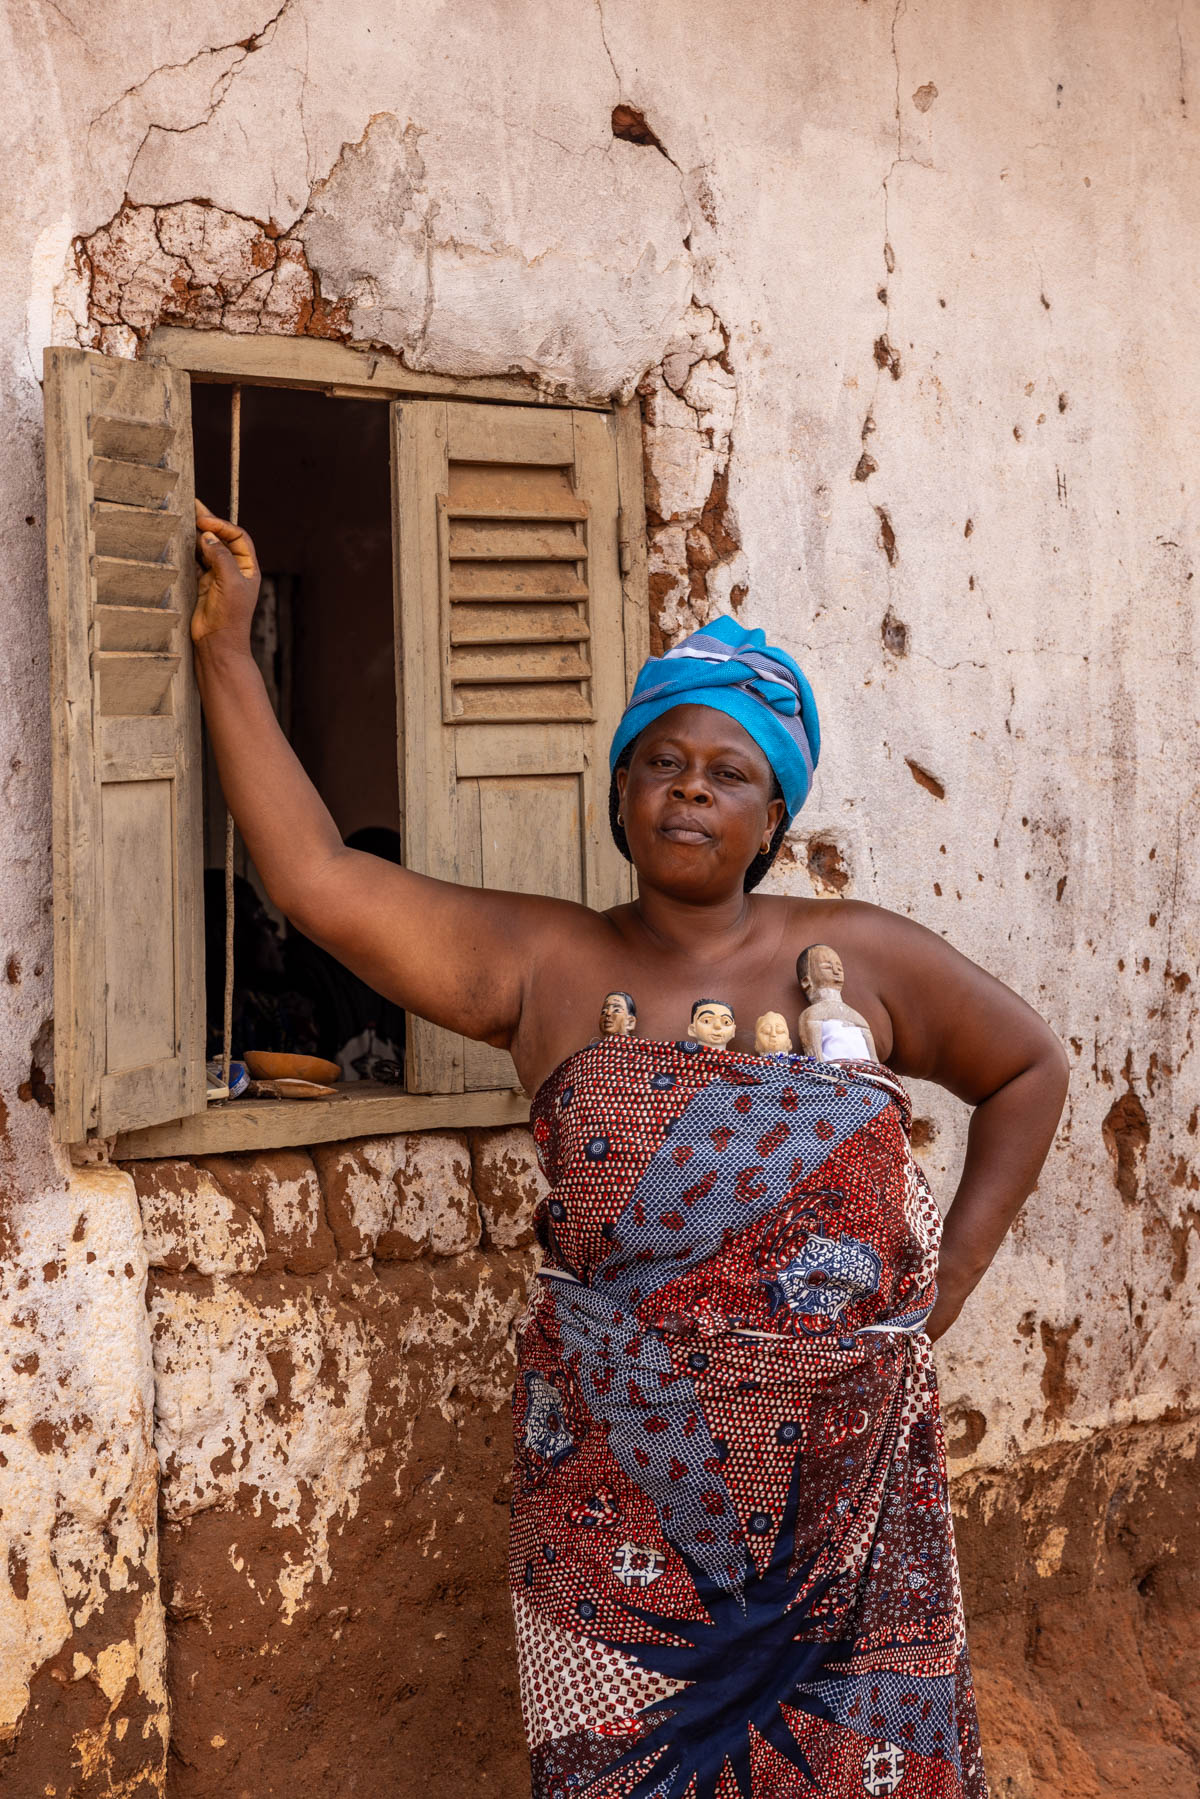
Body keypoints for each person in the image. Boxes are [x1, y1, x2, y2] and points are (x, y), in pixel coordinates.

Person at [194, 501, 1068, 1799]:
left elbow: (1028, 1069)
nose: (691, 789)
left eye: (727, 772)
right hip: (620, 1522)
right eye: (661, 763)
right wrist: (228, 653)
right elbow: (318, 879)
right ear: (617, 795)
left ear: (773, 813)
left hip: (844, 1509)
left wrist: (945, 1293)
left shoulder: (864, 958)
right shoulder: (548, 964)